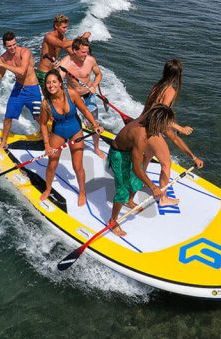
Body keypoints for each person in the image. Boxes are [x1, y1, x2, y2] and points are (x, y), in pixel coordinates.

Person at [107, 104, 178, 237]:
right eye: (166, 125)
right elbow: (136, 168)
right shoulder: (141, 136)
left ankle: (130, 201)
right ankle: (112, 221)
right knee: (122, 191)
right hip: (118, 154)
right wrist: (153, 187)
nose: (167, 129)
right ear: (158, 123)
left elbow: (158, 107)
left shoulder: (150, 119)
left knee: (136, 182)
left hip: (130, 150)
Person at [39, 69, 103, 207]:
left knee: (77, 166)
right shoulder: (46, 104)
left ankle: (82, 192)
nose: (51, 85)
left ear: (60, 83)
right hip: (58, 133)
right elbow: (43, 125)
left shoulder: (71, 93)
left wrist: (95, 125)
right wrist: (47, 145)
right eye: (48, 83)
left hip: (76, 131)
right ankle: (48, 189)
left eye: (54, 82)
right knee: (52, 163)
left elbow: (85, 110)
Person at [141, 59, 204, 188]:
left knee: (148, 155)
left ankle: (138, 182)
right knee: (166, 164)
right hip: (152, 129)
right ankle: (163, 198)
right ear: (178, 75)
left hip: (143, 124)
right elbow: (160, 113)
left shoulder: (157, 86)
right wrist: (179, 127)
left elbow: (151, 109)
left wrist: (193, 157)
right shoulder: (170, 91)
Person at [0, 32, 41, 154]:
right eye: (9, 46)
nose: (13, 47)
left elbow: (22, 71)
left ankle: (49, 133)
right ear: (5, 46)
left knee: (38, 116)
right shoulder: (4, 57)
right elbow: (1, 72)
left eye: (14, 44)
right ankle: (3, 142)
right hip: (18, 89)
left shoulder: (24, 52)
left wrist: (2, 63)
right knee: (8, 117)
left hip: (32, 89)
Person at [59, 36, 105, 158]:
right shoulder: (66, 62)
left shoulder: (90, 60)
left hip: (88, 94)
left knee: (94, 121)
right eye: (83, 52)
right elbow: (58, 79)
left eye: (87, 51)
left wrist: (94, 85)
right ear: (74, 50)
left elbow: (98, 74)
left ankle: (96, 148)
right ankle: (67, 141)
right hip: (73, 96)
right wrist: (57, 71)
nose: (86, 54)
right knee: (68, 120)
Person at [36, 14, 91, 89]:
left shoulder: (62, 37)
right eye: (64, 27)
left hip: (53, 72)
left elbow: (71, 52)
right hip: (44, 73)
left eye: (67, 27)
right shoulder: (49, 37)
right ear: (56, 26)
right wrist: (81, 38)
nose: (66, 29)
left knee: (59, 95)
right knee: (50, 97)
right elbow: (62, 45)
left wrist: (83, 54)